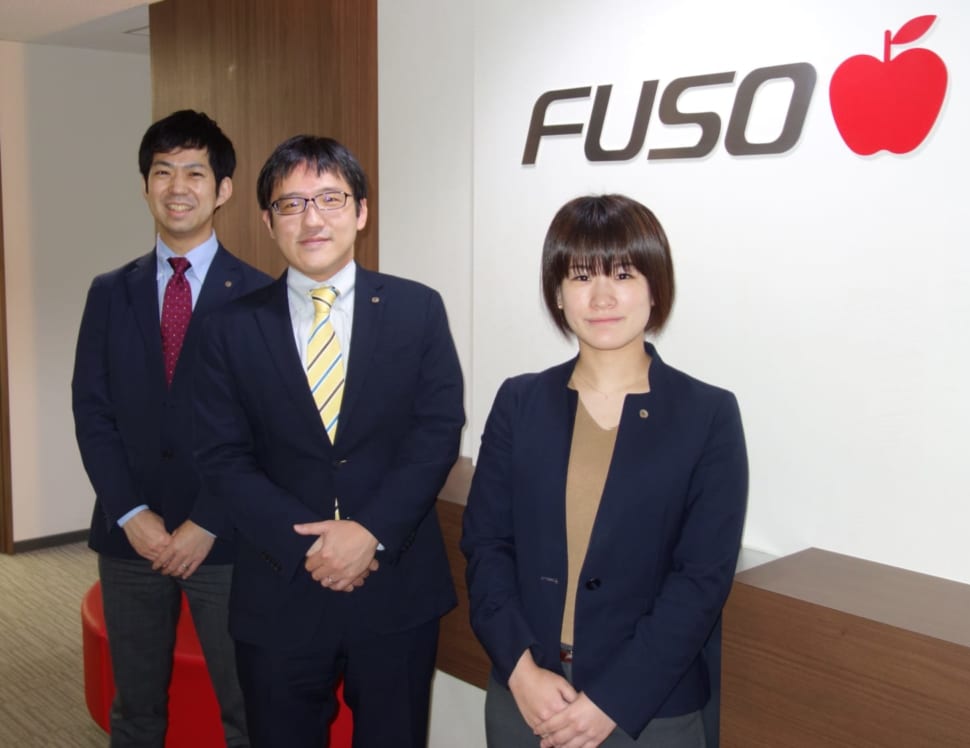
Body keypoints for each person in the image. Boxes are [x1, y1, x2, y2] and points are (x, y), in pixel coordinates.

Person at [192, 135, 465, 748]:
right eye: (290, 204)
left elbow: (436, 432)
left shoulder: (418, 309)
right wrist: (311, 546)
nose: (311, 218)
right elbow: (222, 456)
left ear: (361, 211)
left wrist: (369, 532)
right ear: (268, 221)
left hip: (394, 585)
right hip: (280, 586)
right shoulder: (229, 329)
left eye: (330, 199)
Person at [461, 194, 748, 748]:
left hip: (649, 711)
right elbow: (487, 546)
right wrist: (520, 672)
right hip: (528, 698)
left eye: (622, 274)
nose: (601, 297)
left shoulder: (707, 414)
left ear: (655, 287)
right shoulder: (520, 402)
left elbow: (701, 579)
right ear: (557, 293)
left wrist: (612, 701)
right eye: (580, 276)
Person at [72, 109, 271, 747]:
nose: (177, 187)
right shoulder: (109, 291)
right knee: (134, 711)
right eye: (162, 172)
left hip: (225, 539)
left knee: (247, 710)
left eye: (194, 172)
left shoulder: (261, 297)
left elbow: (264, 429)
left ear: (223, 189)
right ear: (145, 186)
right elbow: (92, 411)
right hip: (129, 538)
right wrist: (130, 513)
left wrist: (206, 521)